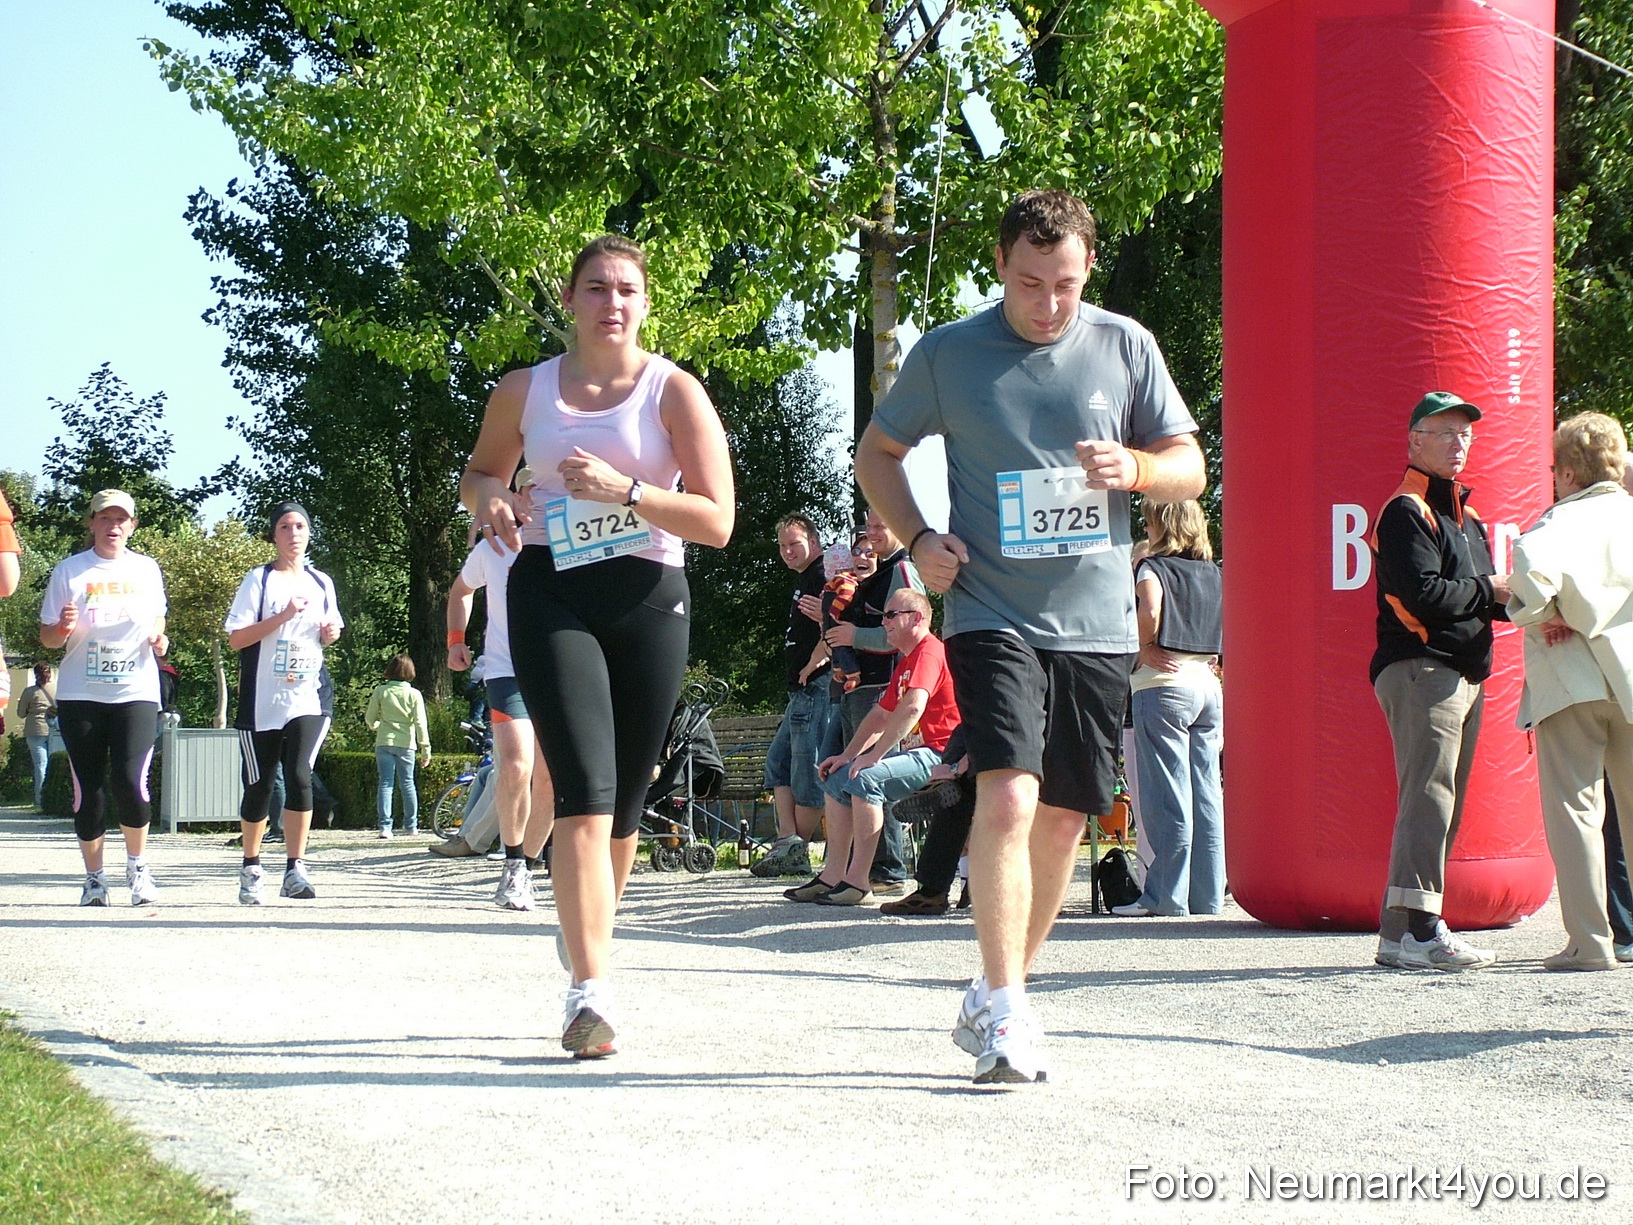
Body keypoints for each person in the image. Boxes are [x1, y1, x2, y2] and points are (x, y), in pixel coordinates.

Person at [855, 189, 1204, 1084]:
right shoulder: (949, 353)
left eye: (1065, 285)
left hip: (1096, 621)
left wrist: (1137, 467)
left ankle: (994, 984)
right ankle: (1009, 1010)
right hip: (991, 609)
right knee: (1008, 795)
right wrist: (918, 540)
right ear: (999, 266)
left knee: (1063, 817)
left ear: (1086, 271)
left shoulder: (1124, 345)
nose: (1048, 304)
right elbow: (875, 454)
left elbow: (1190, 469)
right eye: (1028, 283)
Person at [461, 233, 734, 1058]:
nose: (611, 302)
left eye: (625, 289)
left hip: (648, 596)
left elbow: (718, 521)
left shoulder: (673, 391)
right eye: (595, 287)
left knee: (623, 804)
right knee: (582, 786)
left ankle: (589, 937)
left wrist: (629, 491)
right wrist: (490, 500)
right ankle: (589, 992)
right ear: (570, 299)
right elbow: (479, 472)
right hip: (550, 588)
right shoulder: (525, 388)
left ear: (644, 303)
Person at [1368, 392, 1511, 972]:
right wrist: (1493, 591)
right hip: (1422, 668)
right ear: (1414, 442)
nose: (1459, 443)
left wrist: (1542, 606)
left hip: (1460, 672)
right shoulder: (1405, 510)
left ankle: (1402, 935)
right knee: (1429, 801)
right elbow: (1423, 595)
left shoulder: (1466, 517)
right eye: (1445, 432)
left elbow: (1483, 599)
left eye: (1465, 434)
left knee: (1434, 804)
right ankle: (1423, 933)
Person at [1506, 411, 1633, 971]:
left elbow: (1528, 577)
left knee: (1575, 811)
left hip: (1569, 677)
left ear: (1568, 472)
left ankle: (1589, 941)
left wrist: (1543, 617)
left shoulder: (1557, 521)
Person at [39, 490, 170, 907]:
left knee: (131, 781)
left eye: (121, 519)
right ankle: (94, 879)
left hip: (136, 691)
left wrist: (160, 638)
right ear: (92, 523)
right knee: (89, 788)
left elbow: (158, 617)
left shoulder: (146, 569)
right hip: (82, 693)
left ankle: (138, 867)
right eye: (105, 518)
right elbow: (48, 638)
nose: (113, 526)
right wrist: (62, 627)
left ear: (132, 526)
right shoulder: (70, 570)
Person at [789, 587, 960, 905]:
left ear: (917, 618)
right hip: (921, 754)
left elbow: (913, 707)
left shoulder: (928, 652)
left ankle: (858, 883)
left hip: (942, 755)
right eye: (884, 616)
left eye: (892, 615)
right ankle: (833, 876)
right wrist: (847, 755)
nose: (884, 622)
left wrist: (874, 756)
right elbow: (880, 715)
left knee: (865, 779)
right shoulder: (908, 660)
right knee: (836, 778)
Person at [224, 502, 343, 904]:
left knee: (299, 775)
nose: (294, 534)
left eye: (300, 526)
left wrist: (329, 634)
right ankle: (251, 866)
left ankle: (296, 868)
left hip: (308, 695)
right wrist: (283, 616)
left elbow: (330, 634)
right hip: (262, 699)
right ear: (274, 535)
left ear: (309, 533)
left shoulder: (321, 581)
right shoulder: (259, 580)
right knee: (259, 784)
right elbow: (237, 639)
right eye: (285, 527)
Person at [1112, 500, 1224, 918]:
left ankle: (1165, 897)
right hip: (1207, 687)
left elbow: (1151, 609)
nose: (1145, 526)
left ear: (1162, 524)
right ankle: (1206, 897)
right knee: (1207, 797)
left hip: (1162, 688)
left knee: (1167, 797)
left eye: (1148, 521)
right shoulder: (1214, 572)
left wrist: (1142, 647)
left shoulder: (1152, 568)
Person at [445, 494, 557, 909]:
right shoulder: (491, 546)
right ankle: (511, 864)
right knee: (514, 766)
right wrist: (456, 640)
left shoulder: (568, 538)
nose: (533, 504)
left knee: (550, 779)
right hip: (506, 668)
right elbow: (461, 590)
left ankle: (527, 866)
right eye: (526, 495)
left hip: (559, 671)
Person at [823, 507, 926, 893]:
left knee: (872, 774)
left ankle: (888, 870)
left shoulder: (902, 570)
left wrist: (855, 637)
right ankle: (854, 868)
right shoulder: (877, 573)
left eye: (881, 525)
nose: (873, 533)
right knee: (847, 773)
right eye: (869, 526)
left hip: (884, 687)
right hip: (859, 687)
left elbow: (909, 631)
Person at [751, 513, 832, 879]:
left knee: (806, 770)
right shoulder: (806, 578)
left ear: (813, 543)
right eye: (782, 546)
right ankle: (788, 842)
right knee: (777, 764)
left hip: (816, 686)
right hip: (799, 690)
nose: (787, 551)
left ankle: (797, 849)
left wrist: (814, 659)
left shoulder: (823, 575)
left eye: (794, 544)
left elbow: (839, 625)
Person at [367, 654, 431, 837]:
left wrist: (377, 726)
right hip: (406, 743)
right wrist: (425, 748)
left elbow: (370, 718)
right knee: (408, 783)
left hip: (384, 741)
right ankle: (411, 825)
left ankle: (385, 827)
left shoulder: (381, 691)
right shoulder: (414, 694)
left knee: (386, 783)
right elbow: (420, 723)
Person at [19, 663, 58, 811]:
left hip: (35, 729)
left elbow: (21, 713)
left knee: (41, 765)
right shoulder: (57, 689)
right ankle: (55, 799)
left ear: (35, 674)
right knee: (55, 764)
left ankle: (40, 801)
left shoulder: (29, 692)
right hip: (54, 729)